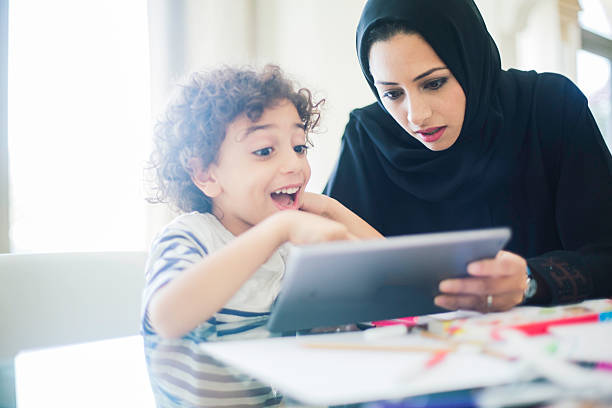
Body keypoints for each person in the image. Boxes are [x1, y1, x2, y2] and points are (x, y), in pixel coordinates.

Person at [324, 0, 612, 313]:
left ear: (468, 60)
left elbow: (606, 256)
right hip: (414, 353)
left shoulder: (549, 107)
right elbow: (328, 269)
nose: (417, 116)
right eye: (393, 94)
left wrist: (532, 280)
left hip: (547, 346)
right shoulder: (368, 136)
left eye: (434, 83)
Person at [141, 65, 382, 407]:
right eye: (265, 151)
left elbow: (396, 283)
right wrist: (278, 229)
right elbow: (167, 318)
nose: (296, 165)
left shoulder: (292, 249)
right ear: (205, 173)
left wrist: (330, 208)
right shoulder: (190, 237)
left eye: (299, 147)